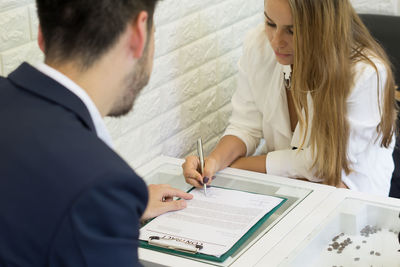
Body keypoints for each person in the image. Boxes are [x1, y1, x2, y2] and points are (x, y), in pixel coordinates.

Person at [0, 0, 193, 266]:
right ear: (139, 33)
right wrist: (103, 207)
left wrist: (114, 210)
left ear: (42, 35)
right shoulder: (98, 183)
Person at [183, 0, 396, 196]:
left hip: (352, 188)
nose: (276, 41)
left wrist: (234, 167)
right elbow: (245, 126)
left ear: (323, 27)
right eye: (270, 23)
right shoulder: (259, 45)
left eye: (292, 31)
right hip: (286, 183)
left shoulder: (366, 73)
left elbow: (322, 165)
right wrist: (213, 162)